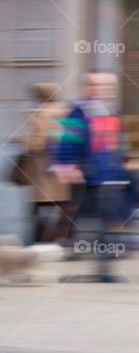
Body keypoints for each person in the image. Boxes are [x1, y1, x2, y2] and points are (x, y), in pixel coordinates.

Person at [57, 71, 129, 282]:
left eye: (111, 85)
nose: (109, 89)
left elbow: (117, 143)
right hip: (89, 178)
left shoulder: (111, 112)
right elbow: (67, 141)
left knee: (106, 224)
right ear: (91, 88)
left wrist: (123, 163)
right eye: (103, 85)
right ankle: (94, 264)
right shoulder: (79, 113)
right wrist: (67, 165)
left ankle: (103, 267)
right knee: (91, 223)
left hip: (110, 177)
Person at [16, 83, 70, 243]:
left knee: (40, 208)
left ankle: (39, 241)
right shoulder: (66, 113)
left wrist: (25, 140)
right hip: (63, 168)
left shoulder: (39, 114)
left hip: (43, 171)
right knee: (63, 206)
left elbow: (35, 143)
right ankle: (58, 239)